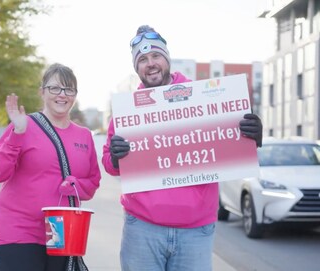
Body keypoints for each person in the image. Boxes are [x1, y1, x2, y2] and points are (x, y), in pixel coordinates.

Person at [102, 25, 262, 271]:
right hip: (142, 229)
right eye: (142, 59)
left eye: (156, 56)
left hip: (195, 231)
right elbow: (110, 166)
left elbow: (229, 145)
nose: (150, 63)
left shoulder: (205, 97)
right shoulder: (127, 111)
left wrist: (251, 137)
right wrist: (115, 158)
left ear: (167, 59)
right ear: (137, 68)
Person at [0, 63, 101, 271]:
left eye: (69, 89)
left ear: (75, 95)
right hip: (18, 231)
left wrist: (74, 185)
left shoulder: (84, 136)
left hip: (63, 234)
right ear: (42, 92)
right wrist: (16, 135)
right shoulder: (23, 125)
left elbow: (93, 183)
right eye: (55, 88)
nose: (62, 95)